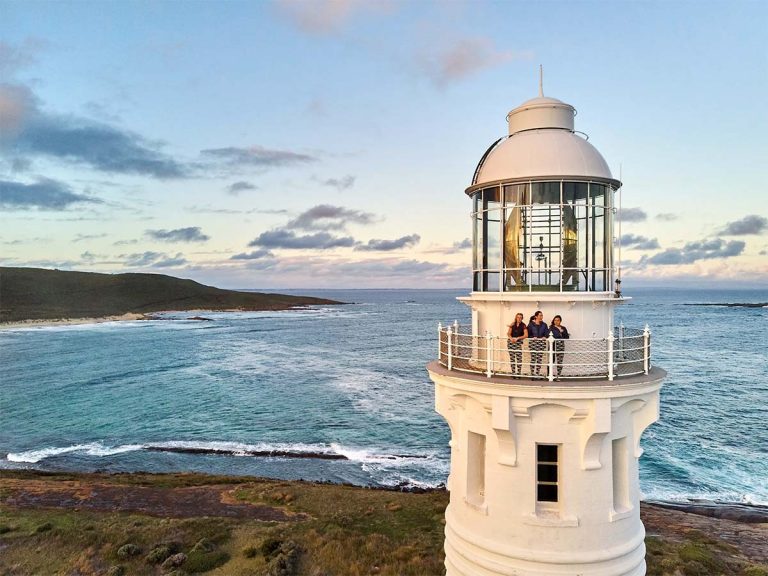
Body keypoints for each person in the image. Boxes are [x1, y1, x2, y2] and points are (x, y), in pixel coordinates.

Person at [527, 310, 549, 376]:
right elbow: (528, 333)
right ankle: (532, 373)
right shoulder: (531, 324)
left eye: (542, 315)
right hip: (533, 343)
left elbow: (547, 333)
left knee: (539, 359)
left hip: (541, 344)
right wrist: (532, 337)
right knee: (533, 358)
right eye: (540, 315)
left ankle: (537, 373)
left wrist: (545, 336)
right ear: (536, 316)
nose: (541, 316)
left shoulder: (544, 325)